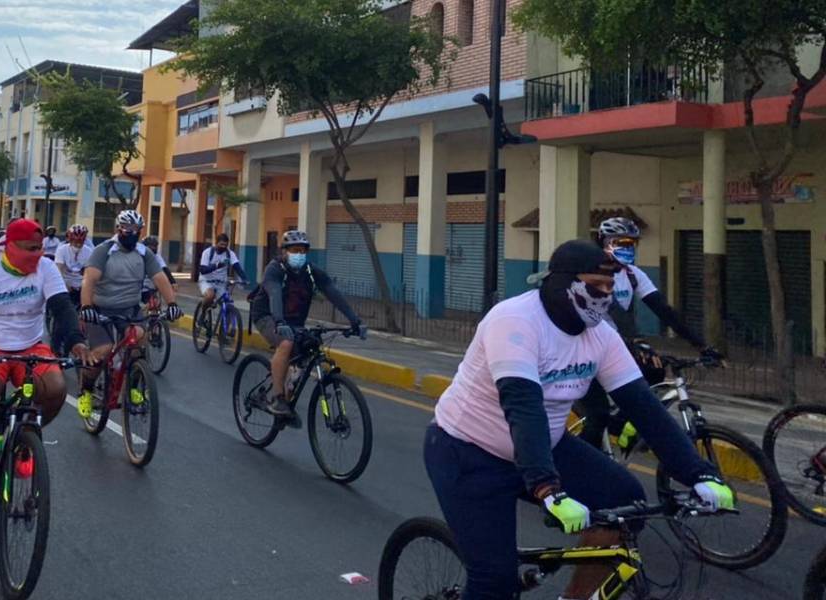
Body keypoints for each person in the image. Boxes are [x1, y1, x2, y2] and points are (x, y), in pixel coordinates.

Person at [424, 239, 735, 600]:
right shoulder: (514, 322)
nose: (605, 296)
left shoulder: (602, 336)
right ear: (561, 282)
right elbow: (523, 407)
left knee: (625, 503)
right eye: (596, 285)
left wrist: (699, 474)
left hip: (547, 446)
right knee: (494, 581)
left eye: (610, 287)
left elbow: (644, 407)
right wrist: (547, 487)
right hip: (469, 453)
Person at [0, 219, 92, 512]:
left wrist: (76, 340)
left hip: (31, 346)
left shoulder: (46, 268)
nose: (36, 255)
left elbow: (62, 307)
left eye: (39, 248)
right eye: (29, 249)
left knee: (56, 390)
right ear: (9, 247)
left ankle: (24, 441)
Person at [576, 217, 723, 449]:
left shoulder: (633, 275)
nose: (628, 248)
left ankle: (622, 426)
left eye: (632, 243)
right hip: (583, 348)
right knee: (598, 416)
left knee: (654, 371)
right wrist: (637, 341)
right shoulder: (593, 273)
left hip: (613, 344)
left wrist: (702, 345)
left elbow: (664, 310)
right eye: (621, 243)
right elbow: (614, 310)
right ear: (603, 242)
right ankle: (578, 462)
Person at [250, 230, 364, 424]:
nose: (299, 255)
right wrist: (279, 321)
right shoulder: (274, 269)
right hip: (267, 316)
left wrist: (355, 321)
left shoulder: (311, 272)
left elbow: (332, 292)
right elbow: (275, 294)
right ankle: (277, 399)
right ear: (284, 251)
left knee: (307, 350)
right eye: (294, 250)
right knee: (286, 342)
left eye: (303, 251)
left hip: (295, 322)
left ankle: (286, 404)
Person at [76, 210, 182, 418]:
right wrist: (86, 307)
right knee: (103, 350)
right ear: (118, 229)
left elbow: (160, 278)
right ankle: (85, 390)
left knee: (138, 342)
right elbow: (89, 280)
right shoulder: (103, 251)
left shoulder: (144, 253)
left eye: (136, 230)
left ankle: (133, 387)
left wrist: (172, 303)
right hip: (100, 309)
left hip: (130, 309)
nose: (132, 233)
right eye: (127, 229)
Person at [197, 233, 248, 311]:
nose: (223, 247)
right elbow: (203, 270)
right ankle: (203, 313)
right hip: (206, 281)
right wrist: (216, 266)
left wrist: (244, 278)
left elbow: (237, 266)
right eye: (221, 244)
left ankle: (225, 318)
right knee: (210, 296)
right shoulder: (207, 252)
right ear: (216, 243)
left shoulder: (229, 254)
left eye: (225, 245)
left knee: (227, 303)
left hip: (221, 283)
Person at [54, 224, 93, 305]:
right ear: (70, 239)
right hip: (65, 282)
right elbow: (58, 270)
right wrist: (65, 285)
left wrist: (85, 287)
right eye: (75, 241)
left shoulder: (89, 251)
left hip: (81, 283)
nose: (78, 244)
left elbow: (89, 273)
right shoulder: (62, 250)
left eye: (81, 241)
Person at [141, 236, 176, 305]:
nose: (153, 248)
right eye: (150, 246)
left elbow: (164, 269)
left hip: (151, 284)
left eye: (154, 246)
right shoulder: (138, 255)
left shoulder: (157, 256)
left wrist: (173, 282)